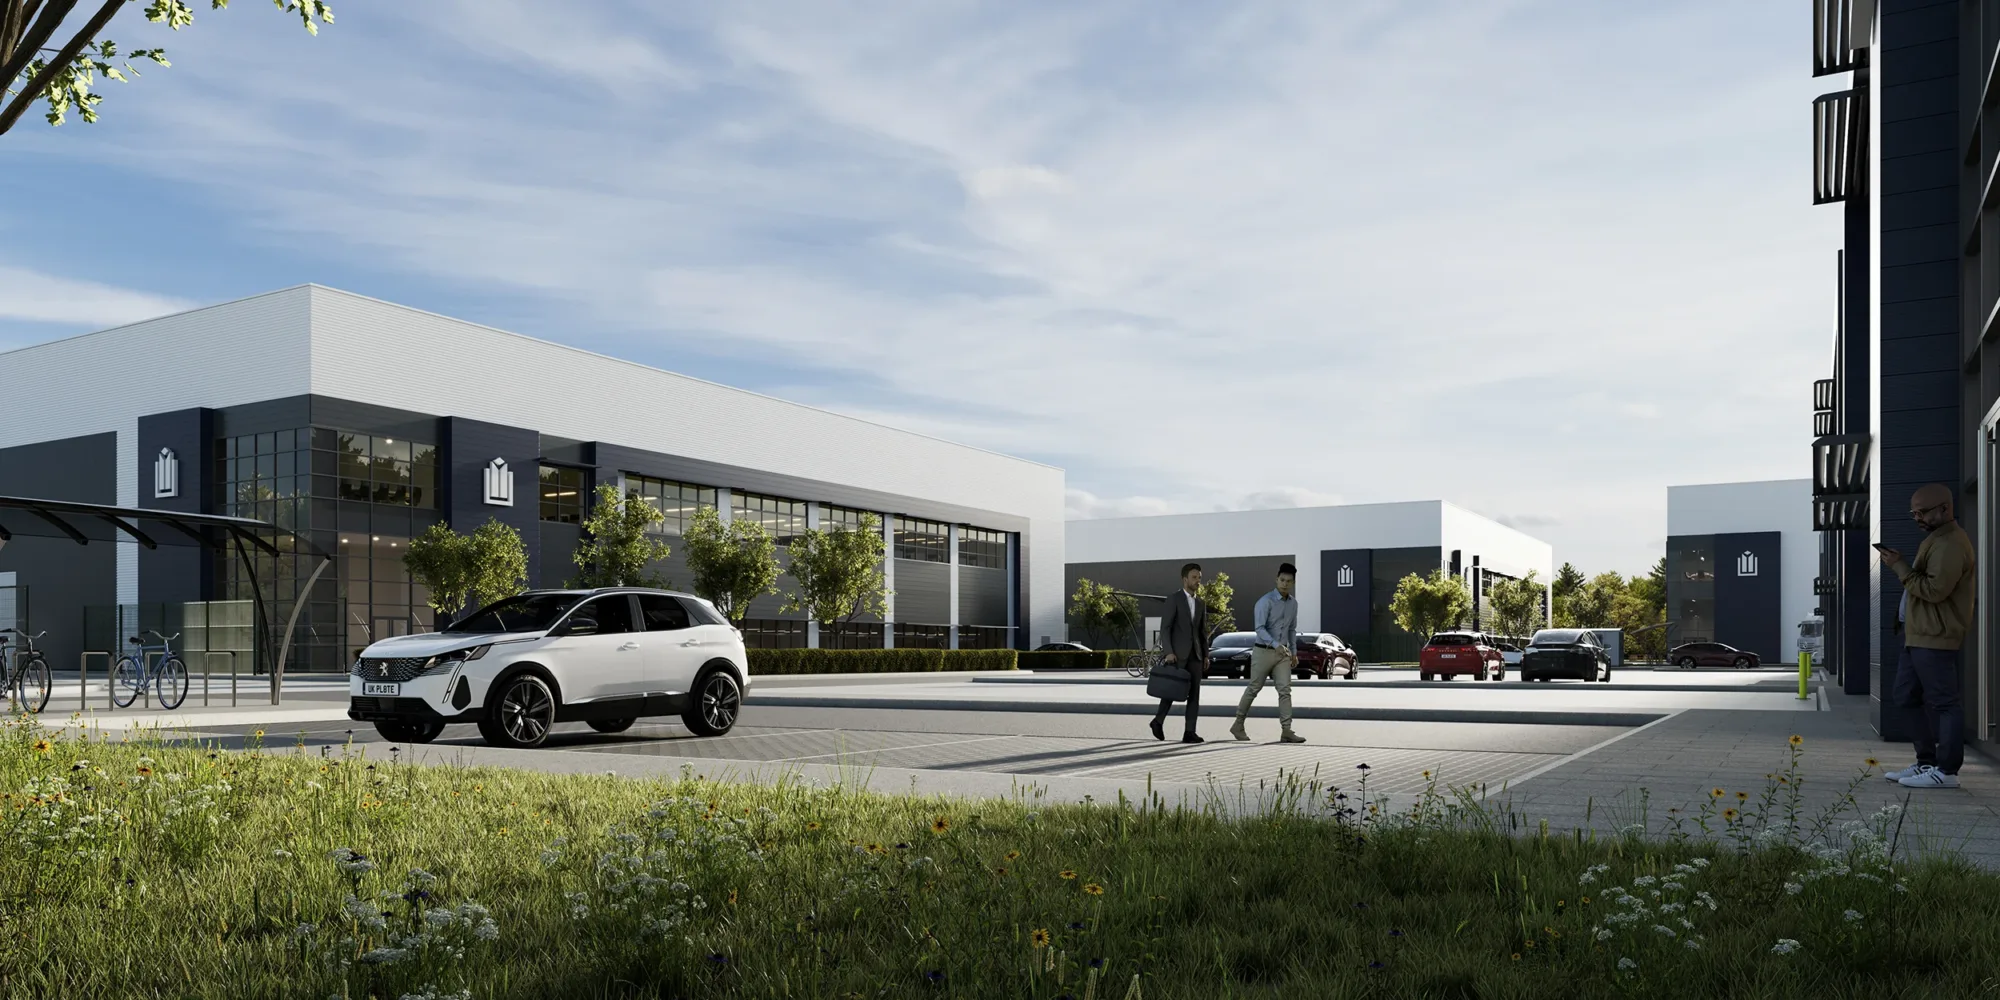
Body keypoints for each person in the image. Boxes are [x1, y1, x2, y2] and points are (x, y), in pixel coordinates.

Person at [1877, 483, 1975, 790]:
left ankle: (1946, 772)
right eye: (1914, 513)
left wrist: (1899, 566)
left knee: (1944, 703)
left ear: (1945, 508)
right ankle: (1927, 762)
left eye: (1923, 512)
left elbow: (1934, 591)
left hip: (1935, 636)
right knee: (1904, 697)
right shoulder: (1935, 540)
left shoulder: (1951, 544)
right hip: (1917, 636)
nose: (1917, 517)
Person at [1232, 562, 1306, 744]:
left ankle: (1287, 730)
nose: (1285, 584)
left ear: (1293, 583)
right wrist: (1275, 644)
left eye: (1289, 581)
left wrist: (1294, 652)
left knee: (1285, 690)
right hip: (1263, 652)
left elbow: (1292, 630)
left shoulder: (1293, 604)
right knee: (1254, 688)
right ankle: (1238, 724)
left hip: (1283, 655)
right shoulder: (1265, 602)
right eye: (1282, 580)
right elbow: (1259, 628)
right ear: (1276, 579)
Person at [1152, 562, 1208, 743]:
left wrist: (1206, 654)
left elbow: (1202, 631)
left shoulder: (1200, 603)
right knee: (1170, 691)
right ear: (1185, 579)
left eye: (1199, 577)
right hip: (1176, 654)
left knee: (1195, 695)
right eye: (1194, 577)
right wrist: (1168, 651)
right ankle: (1158, 721)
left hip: (1196, 656)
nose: (1198, 580)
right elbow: (1165, 628)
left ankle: (1189, 732)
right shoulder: (1173, 599)